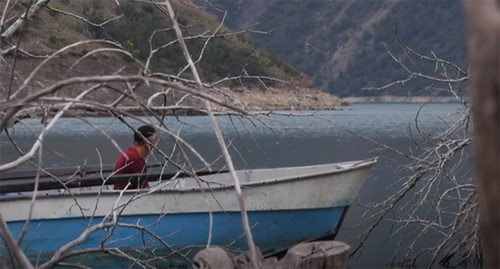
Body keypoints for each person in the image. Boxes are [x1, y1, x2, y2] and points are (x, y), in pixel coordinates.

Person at [113, 125, 159, 190]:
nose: (156, 146)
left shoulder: (129, 154)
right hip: (126, 197)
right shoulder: (135, 159)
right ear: (146, 143)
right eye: (155, 141)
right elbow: (145, 188)